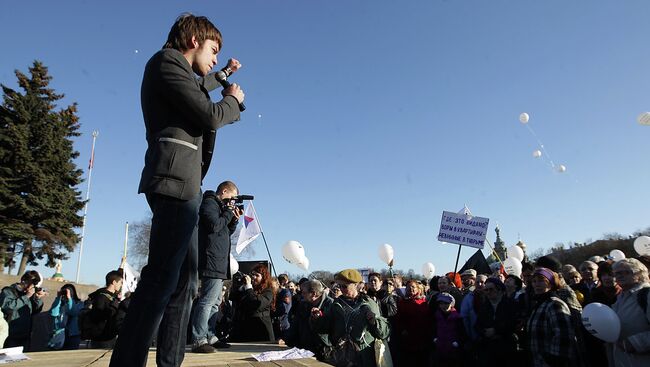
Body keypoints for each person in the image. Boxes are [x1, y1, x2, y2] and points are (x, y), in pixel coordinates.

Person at [109, 13, 244, 367]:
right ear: (194, 40)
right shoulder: (166, 62)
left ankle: (170, 361)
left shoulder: (180, 72)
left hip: (186, 185)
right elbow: (209, 113)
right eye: (213, 49)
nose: (215, 58)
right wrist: (231, 99)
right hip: (173, 183)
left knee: (184, 283)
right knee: (161, 280)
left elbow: (199, 87)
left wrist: (224, 75)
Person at [190, 180, 241, 353]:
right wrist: (227, 212)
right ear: (224, 191)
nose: (233, 201)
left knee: (215, 302)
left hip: (220, 261)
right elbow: (213, 225)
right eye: (232, 197)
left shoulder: (221, 209)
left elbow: (224, 232)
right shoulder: (210, 202)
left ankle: (210, 335)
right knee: (207, 300)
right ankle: (199, 339)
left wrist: (233, 220)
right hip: (211, 259)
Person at [312, 269, 390, 367]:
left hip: (363, 357)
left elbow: (385, 332)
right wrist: (317, 318)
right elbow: (324, 328)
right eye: (339, 286)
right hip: (341, 358)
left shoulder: (368, 303)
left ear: (356, 285)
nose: (341, 289)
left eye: (345, 286)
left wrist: (375, 322)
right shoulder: (336, 304)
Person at [526, 267, 576, 367]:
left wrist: (553, 359)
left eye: (541, 280)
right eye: (534, 281)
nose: (537, 284)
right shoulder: (538, 304)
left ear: (551, 283)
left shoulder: (554, 304)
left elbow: (564, 335)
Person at [609, 258, 650, 366]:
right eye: (617, 273)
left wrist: (635, 342)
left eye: (626, 272)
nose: (620, 276)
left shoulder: (647, 295)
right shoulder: (620, 297)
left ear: (640, 274)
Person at [285, 280, 333, 360]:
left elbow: (331, 332)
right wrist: (287, 339)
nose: (302, 294)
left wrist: (317, 320)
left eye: (304, 292)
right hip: (303, 351)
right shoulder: (303, 304)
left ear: (313, 293)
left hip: (323, 352)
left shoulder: (330, 306)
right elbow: (295, 325)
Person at [475, 278, 518, 367]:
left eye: (491, 289)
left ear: (499, 290)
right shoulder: (484, 307)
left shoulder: (511, 304)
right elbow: (477, 325)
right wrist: (484, 332)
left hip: (506, 348)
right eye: (486, 290)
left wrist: (496, 330)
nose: (488, 292)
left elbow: (513, 323)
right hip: (488, 349)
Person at [0, 270, 46, 349]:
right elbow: (7, 307)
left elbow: (36, 311)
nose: (33, 287)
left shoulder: (29, 294)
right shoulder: (8, 291)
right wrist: (26, 297)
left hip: (25, 336)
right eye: (32, 284)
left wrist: (37, 299)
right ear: (23, 281)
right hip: (10, 335)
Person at [229, 264, 276, 342]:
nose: (253, 277)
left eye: (257, 275)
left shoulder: (268, 291)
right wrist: (240, 288)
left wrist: (248, 288)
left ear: (263, 278)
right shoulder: (248, 289)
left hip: (260, 330)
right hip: (244, 330)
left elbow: (256, 304)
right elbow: (232, 297)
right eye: (252, 274)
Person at [395, 279, 433, 366]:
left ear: (418, 289)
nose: (410, 289)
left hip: (422, 338)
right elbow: (398, 319)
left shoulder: (424, 302)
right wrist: (402, 330)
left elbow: (428, 318)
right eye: (408, 287)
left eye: (413, 287)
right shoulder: (402, 303)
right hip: (408, 338)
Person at [83, 270, 123, 349]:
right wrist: (114, 307)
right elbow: (98, 316)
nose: (121, 285)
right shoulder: (101, 297)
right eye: (120, 282)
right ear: (114, 282)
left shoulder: (112, 297)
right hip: (101, 338)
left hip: (110, 336)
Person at [432, 292, 465, 367]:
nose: (444, 306)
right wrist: (434, 338)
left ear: (451, 304)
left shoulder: (457, 318)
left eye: (446, 303)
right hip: (440, 349)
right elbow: (433, 329)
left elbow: (462, 333)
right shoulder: (436, 316)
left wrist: (458, 342)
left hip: (453, 350)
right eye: (441, 303)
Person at [49, 284, 84, 350]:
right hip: (59, 334)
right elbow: (53, 313)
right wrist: (58, 298)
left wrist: (69, 299)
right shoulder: (60, 303)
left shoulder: (80, 304)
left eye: (67, 292)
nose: (65, 293)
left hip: (73, 335)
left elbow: (73, 312)